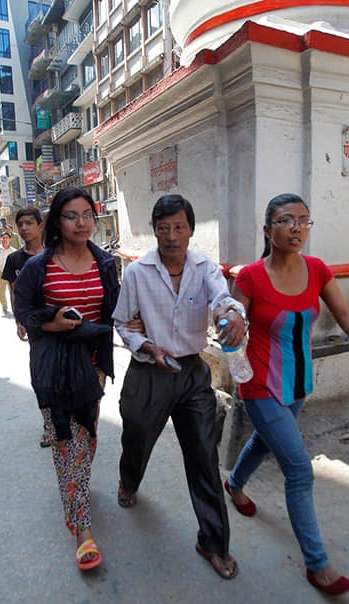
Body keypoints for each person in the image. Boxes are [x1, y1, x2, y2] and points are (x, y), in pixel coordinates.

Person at [223, 193, 349, 596]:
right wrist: (233, 321)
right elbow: (232, 313)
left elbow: (347, 316)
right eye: (285, 220)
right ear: (268, 230)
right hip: (260, 385)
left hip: (299, 382)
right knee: (299, 470)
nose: (296, 227)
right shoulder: (249, 276)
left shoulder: (318, 270)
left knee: (265, 442)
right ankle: (317, 565)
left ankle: (233, 483)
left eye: (303, 220)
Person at [113, 194, 247, 580]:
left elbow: (223, 300)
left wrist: (231, 314)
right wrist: (144, 344)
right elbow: (121, 322)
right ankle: (129, 479)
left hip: (191, 374)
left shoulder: (205, 267)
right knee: (137, 436)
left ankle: (213, 542)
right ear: (154, 230)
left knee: (203, 455)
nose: (172, 236)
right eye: (163, 227)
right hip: (148, 371)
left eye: (179, 227)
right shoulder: (138, 272)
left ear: (190, 229)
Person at [14, 187, 120, 572]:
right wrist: (50, 322)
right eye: (72, 216)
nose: (82, 223)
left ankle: (77, 487)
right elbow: (23, 311)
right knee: (66, 443)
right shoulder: (38, 267)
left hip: (93, 368)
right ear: (58, 221)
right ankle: (82, 528)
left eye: (87, 214)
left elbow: (115, 309)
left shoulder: (105, 263)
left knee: (88, 439)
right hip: (55, 367)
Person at [0, 207, 50, 447]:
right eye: (20, 225)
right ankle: (49, 425)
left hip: (60, 323)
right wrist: (19, 319)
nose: (24, 229)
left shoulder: (55, 253)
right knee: (40, 378)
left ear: (40, 226)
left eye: (29, 223)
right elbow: (13, 291)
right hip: (35, 327)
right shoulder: (15, 260)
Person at [0, 232, 17, 316]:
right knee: (2, 292)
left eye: (6, 238)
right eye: (3, 238)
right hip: (0, 273)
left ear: (10, 239)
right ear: (1, 239)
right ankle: (4, 308)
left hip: (11, 274)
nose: (5, 239)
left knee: (13, 291)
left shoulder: (14, 251)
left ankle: (14, 308)